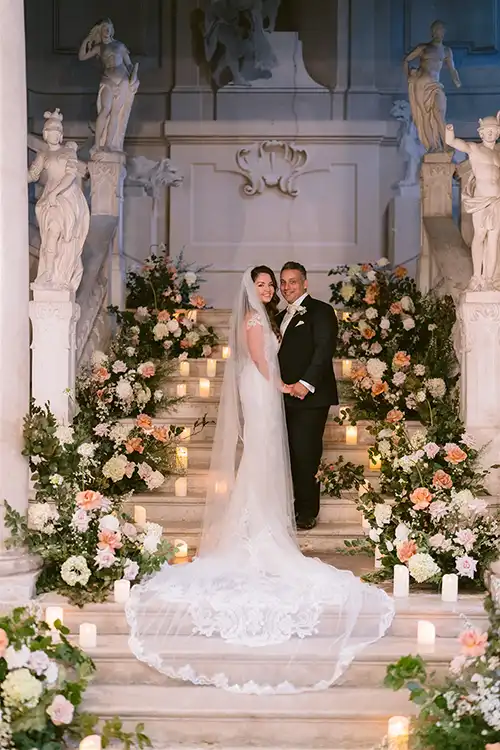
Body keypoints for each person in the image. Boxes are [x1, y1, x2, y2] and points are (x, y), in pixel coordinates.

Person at [126, 266, 394, 694]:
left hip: (289, 394)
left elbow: (322, 349)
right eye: (270, 284)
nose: (277, 289)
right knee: (266, 454)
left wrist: (296, 385)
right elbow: (257, 357)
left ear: (302, 284)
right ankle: (263, 517)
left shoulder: (311, 312)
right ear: (257, 288)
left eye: (283, 283)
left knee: (291, 456)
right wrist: (281, 388)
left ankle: (289, 512)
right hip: (269, 392)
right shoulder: (260, 318)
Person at [277, 262, 338, 530]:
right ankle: (288, 506)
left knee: (306, 453)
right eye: (283, 282)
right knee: (287, 453)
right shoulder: (279, 317)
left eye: (292, 281)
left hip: (310, 397)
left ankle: (307, 511)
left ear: (305, 283)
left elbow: (324, 350)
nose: (286, 287)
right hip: (283, 395)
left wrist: (305, 383)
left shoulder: (321, 311)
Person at [445, 118, 500, 290]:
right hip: (481, 200)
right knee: (480, 235)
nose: (491, 132)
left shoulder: (498, 154)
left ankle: (489, 280)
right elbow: (452, 142)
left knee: (494, 239)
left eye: (494, 130)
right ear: (481, 133)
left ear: (498, 133)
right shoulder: (475, 149)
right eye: (487, 130)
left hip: (497, 200)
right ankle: (477, 276)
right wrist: (449, 130)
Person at [403, 20, 461, 152]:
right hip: (420, 84)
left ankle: (447, 144)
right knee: (425, 116)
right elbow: (406, 60)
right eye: (438, 29)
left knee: (439, 113)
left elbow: (452, 69)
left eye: (442, 29)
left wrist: (456, 80)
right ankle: (434, 146)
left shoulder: (446, 51)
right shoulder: (423, 47)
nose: (441, 32)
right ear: (433, 32)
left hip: (435, 85)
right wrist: (409, 76)